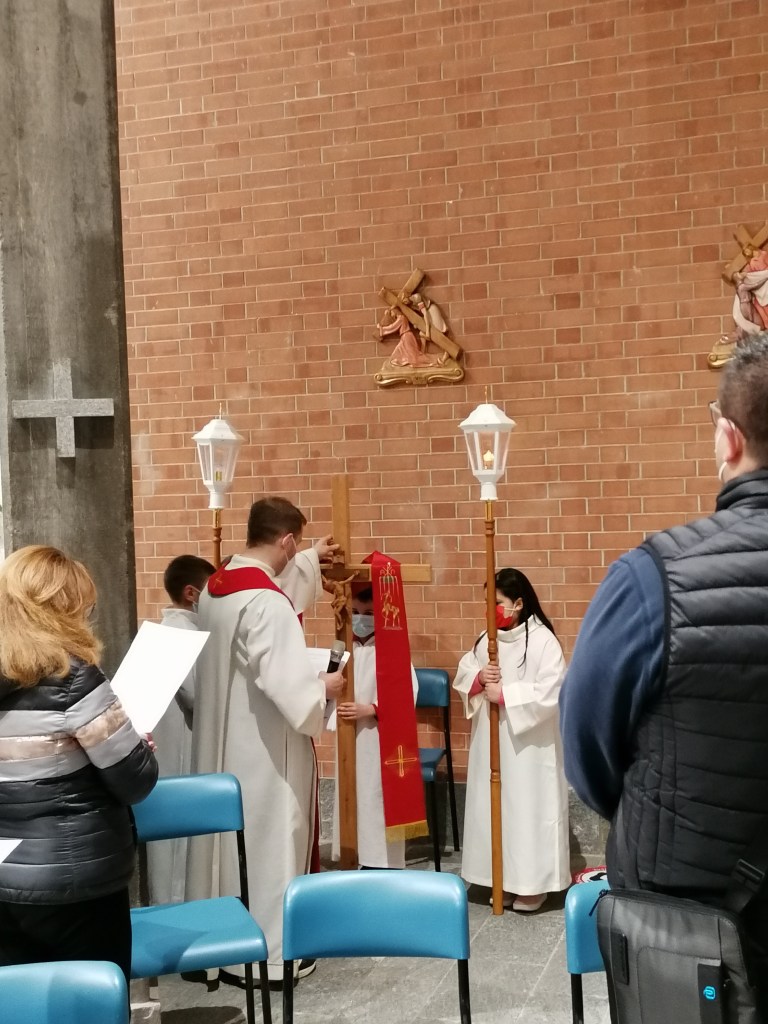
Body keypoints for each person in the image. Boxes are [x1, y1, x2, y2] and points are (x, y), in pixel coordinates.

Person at [559, 332, 768, 1012]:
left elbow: (586, 746)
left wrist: (657, 815)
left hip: (683, 927)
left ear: (727, 438)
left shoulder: (654, 578)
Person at [187, 497, 344, 985]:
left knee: (228, 850)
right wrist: (324, 688)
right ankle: (271, 959)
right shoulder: (267, 603)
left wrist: (312, 558)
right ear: (287, 541)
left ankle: (222, 950)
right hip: (264, 752)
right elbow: (292, 692)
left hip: (222, 745)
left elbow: (275, 583)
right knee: (269, 844)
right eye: (299, 546)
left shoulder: (217, 587)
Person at [0, 545, 158, 988]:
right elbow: (135, 781)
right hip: (76, 881)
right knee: (92, 1003)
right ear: (62, 608)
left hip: (6, 879)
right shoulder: (72, 678)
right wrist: (139, 749)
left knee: (21, 1006)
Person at [454, 568, 570, 911]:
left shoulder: (543, 641)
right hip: (491, 742)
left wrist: (506, 695)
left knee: (526, 810)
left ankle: (533, 885)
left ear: (518, 603)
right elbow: (464, 673)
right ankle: (499, 878)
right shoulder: (484, 640)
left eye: (497, 603)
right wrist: (478, 679)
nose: (490, 611)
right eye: (486, 603)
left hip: (529, 747)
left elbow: (552, 690)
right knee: (495, 809)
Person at [331, 585, 419, 869]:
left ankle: (381, 863)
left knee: (375, 797)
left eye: (368, 613)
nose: (361, 619)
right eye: (356, 612)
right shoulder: (343, 649)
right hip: (348, 736)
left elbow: (406, 693)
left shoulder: (391, 649)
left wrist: (371, 709)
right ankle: (352, 855)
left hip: (378, 736)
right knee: (351, 795)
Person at [147, 553, 215, 905]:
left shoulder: (160, 631)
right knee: (180, 849)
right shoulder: (184, 636)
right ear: (191, 593)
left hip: (160, 755)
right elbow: (200, 699)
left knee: (165, 848)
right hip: (183, 749)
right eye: (210, 592)